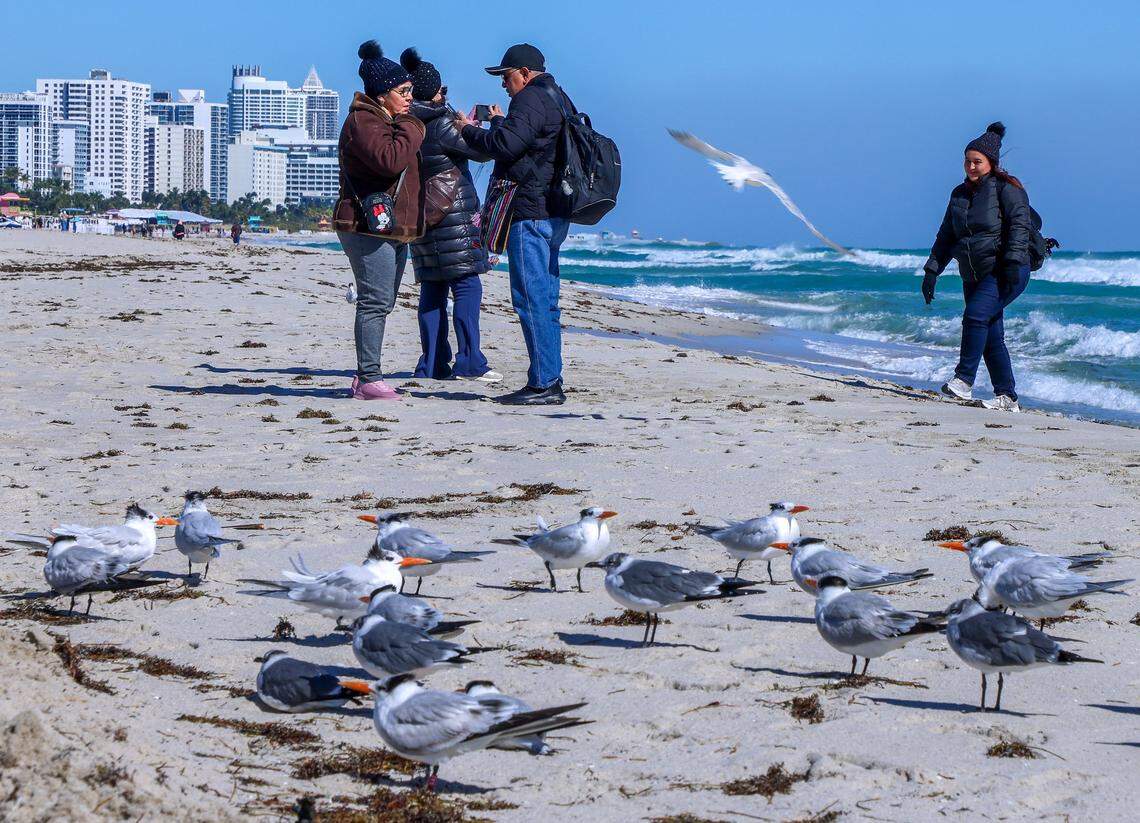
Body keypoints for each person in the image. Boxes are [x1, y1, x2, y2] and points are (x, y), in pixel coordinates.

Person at [455, 44, 570, 406]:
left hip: (531, 211)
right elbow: (524, 143)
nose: (504, 85)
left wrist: (467, 130)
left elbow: (504, 148)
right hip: (554, 210)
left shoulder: (531, 99)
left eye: (505, 77)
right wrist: (499, 121)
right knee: (546, 300)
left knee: (531, 299)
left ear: (524, 73)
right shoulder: (557, 96)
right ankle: (548, 377)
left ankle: (544, 383)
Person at [399, 48, 500, 384]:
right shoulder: (441, 122)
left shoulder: (406, 122)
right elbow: (483, 150)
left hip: (423, 218)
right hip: (454, 217)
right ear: (435, 91)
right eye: (444, 91)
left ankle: (432, 363)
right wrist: (472, 126)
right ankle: (470, 360)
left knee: (432, 288)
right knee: (467, 285)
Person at [333, 40, 425, 401]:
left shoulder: (386, 118)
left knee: (383, 300)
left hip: (388, 227)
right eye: (403, 91)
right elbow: (390, 160)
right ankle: (368, 377)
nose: (408, 97)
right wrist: (413, 126)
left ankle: (366, 377)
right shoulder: (364, 120)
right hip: (364, 225)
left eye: (410, 91)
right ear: (383, 93)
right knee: (374, 300)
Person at [922, 122, 1031, 413]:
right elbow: (946, 234)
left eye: (977, 161)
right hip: (973, 272)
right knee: (991, 334)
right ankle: (1007, 398)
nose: (971, 166)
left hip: (1007, 269)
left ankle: (963, 381)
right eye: (968, 161)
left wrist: (1011, 263)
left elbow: (1020, 227)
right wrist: (932, 270)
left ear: (991, 163)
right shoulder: (958, 194)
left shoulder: (1007, 189)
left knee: (975, 316)